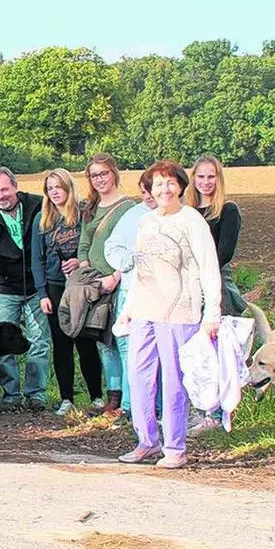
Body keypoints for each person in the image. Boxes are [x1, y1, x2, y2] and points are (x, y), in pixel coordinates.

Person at [113, 160, 222, 469]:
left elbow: (209, 269)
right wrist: (128, 309)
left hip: (179, 311)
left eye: (170, 183)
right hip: (145, 309)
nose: (164, 189)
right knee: (139, 376)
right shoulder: (146, 222)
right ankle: (146, 441)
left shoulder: (192, 221)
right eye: (158, 184)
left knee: (174, 380)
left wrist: (212, 313)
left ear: (181, 187)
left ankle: (175, 447)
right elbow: (141, 270)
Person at [0, 167, 50, 412]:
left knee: (39, 341)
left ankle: (36, 394)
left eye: (4, 189)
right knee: (3, 344)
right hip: (4, 288)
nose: (0, 195)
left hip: (36, 286)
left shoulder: (37, 206)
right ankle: (11, 395)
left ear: (15, 187)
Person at [184, 154, 247, 436]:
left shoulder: (227, 210)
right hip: (188, 286)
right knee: (196, 353)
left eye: (211, 177)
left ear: (218, 179)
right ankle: (199, 409)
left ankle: (217, 414)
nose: (206, 182)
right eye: (201, 177)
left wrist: (202, 277)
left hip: (215, 283)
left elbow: (224, 252)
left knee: (216, 351)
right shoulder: (187, 213)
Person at [75, 153, 139, 418]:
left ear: (114, 173)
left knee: (123, 340)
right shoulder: (90, 207)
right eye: (94, 175)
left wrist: (115, 276)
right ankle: (113, 396)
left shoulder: (129, 208)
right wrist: (85, 268)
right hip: (95, 283)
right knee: (103, 341)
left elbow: (134, 246)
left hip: (120, 282)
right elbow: (84, 242)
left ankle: (130, 403)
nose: (99, 179)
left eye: (104, 173)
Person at [38, 169, 102, 420]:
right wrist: (42, 293)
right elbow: (37, 259)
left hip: (81, 285)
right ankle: (66, 398)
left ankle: (96, 396)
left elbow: (94, 247)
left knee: (86, 342)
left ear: (68, 187)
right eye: (50, 188)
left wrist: (80, 261)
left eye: (58, 186)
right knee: (61, 343)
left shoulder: (84, 213)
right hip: (54, 286)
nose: (54, 192)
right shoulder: (43, 219)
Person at [103, 172, 157, 426]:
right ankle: (129, 406)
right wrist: (129, 262)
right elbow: (112, 246)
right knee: (128, 348)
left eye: (151, 191)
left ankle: (157, 408)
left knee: (158, 353)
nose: (148, 197)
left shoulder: (180, 216)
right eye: (144, 192)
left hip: (163, 295)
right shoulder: (134, 215)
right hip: (131, 289)